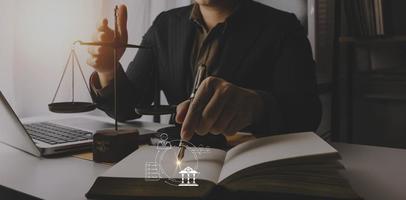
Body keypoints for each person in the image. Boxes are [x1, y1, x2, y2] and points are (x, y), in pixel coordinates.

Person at [87, 0, 321, 141]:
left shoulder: (282, 27)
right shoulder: (165, 25)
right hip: (178, 162)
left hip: (251, 169)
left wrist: (256, 106)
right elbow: (129, 107)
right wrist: (108, 70)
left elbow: (306, 115)